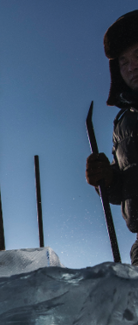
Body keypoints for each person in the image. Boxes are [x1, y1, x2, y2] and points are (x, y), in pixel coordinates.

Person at [85, 11, 138, 265]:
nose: (132, 67)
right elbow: (127, 187)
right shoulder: (123, 122)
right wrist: (108, 179)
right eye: (123, 61)